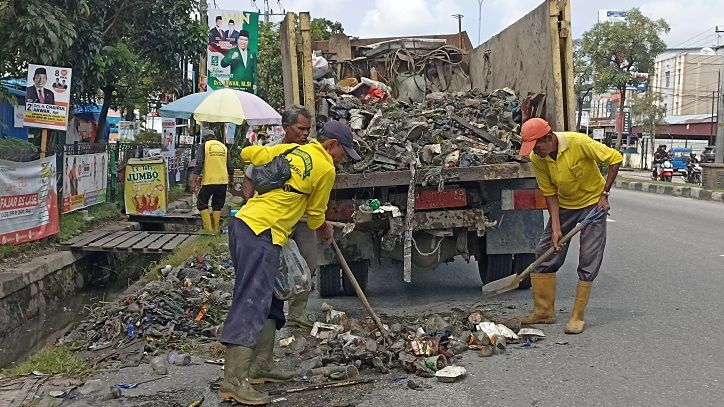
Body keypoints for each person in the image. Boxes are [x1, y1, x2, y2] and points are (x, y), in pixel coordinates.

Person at [218, 121, 359, 405]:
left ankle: (261, 366)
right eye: (344, 152)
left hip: (245, 225)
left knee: (269, 298)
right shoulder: (326, 169)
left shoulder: (294, 149)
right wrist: (326, 230)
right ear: (330, 146)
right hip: (261, 232)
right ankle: (233, 381)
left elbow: (249, 155)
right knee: (251, 301)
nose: (343, 159)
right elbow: (316, 214)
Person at [242, 107, 352, 329]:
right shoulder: (277, 150)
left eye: (308, 129)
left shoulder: (314, 151)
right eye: (300, 128)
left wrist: (319, 220)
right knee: (272, 267)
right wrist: (253, 204)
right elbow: (249, 177)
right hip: (273, 221)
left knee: (307, 263)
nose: (305, 134)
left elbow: (318, 203)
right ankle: (270, 314)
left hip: (302, 220)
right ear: (285, 127)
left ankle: (296, 313)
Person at [516, 118, 622, 335]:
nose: (535, 151)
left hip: (593, 204)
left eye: (537, 146)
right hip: (565, 206)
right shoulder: (539, 159)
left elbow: (615, 158)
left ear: (549, 138)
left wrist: (605, 194)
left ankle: (577, 316)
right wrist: (555, 227)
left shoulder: (578, 142)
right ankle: (544, 312)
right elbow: (549, 194)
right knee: (545, 253)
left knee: (588, 257)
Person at [192, 129, 233, 232]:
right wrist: (231, 181)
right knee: (217, 205)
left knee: (201, 203)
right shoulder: (223, 147)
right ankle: (216, 229)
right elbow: (230, 166)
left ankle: (208, 230)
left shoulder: (204, 146)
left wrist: (193, 180)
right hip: (223, 181)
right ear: (214, 136)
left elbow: (199, 163)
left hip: (209, 181)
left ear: (204, 138)